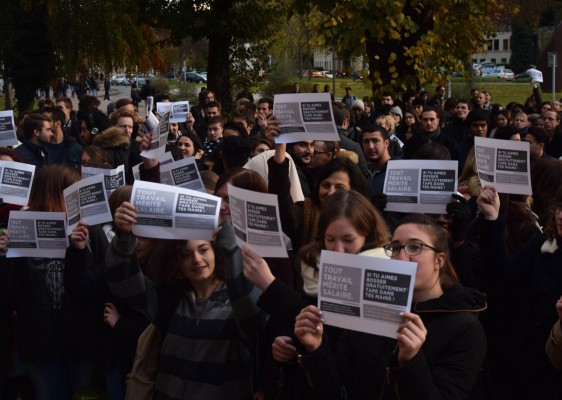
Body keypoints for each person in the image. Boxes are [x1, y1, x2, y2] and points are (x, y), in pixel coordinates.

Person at [293, 213, 487, 399]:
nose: (402, 258)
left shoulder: (466, 328)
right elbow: (337, 390)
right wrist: (316, 348)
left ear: (439, 260)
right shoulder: (372, 307)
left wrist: (410, 361)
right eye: (395, 248)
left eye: (414, 247)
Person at [105, 204, 264, 400]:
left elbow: (254, 319)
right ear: (175, 261)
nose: (196, 259)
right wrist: (123, 238)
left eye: (203, 249)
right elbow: (123, 284)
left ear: (216, 251)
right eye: (185, 255)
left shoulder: (237, 297)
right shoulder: (170, 299)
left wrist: (232, 250)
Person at [477, 185, 562, 398]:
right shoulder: (541, 245)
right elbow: (500, 278)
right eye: (560, 208)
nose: (561, 216)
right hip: (525, 365)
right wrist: (493, 219)